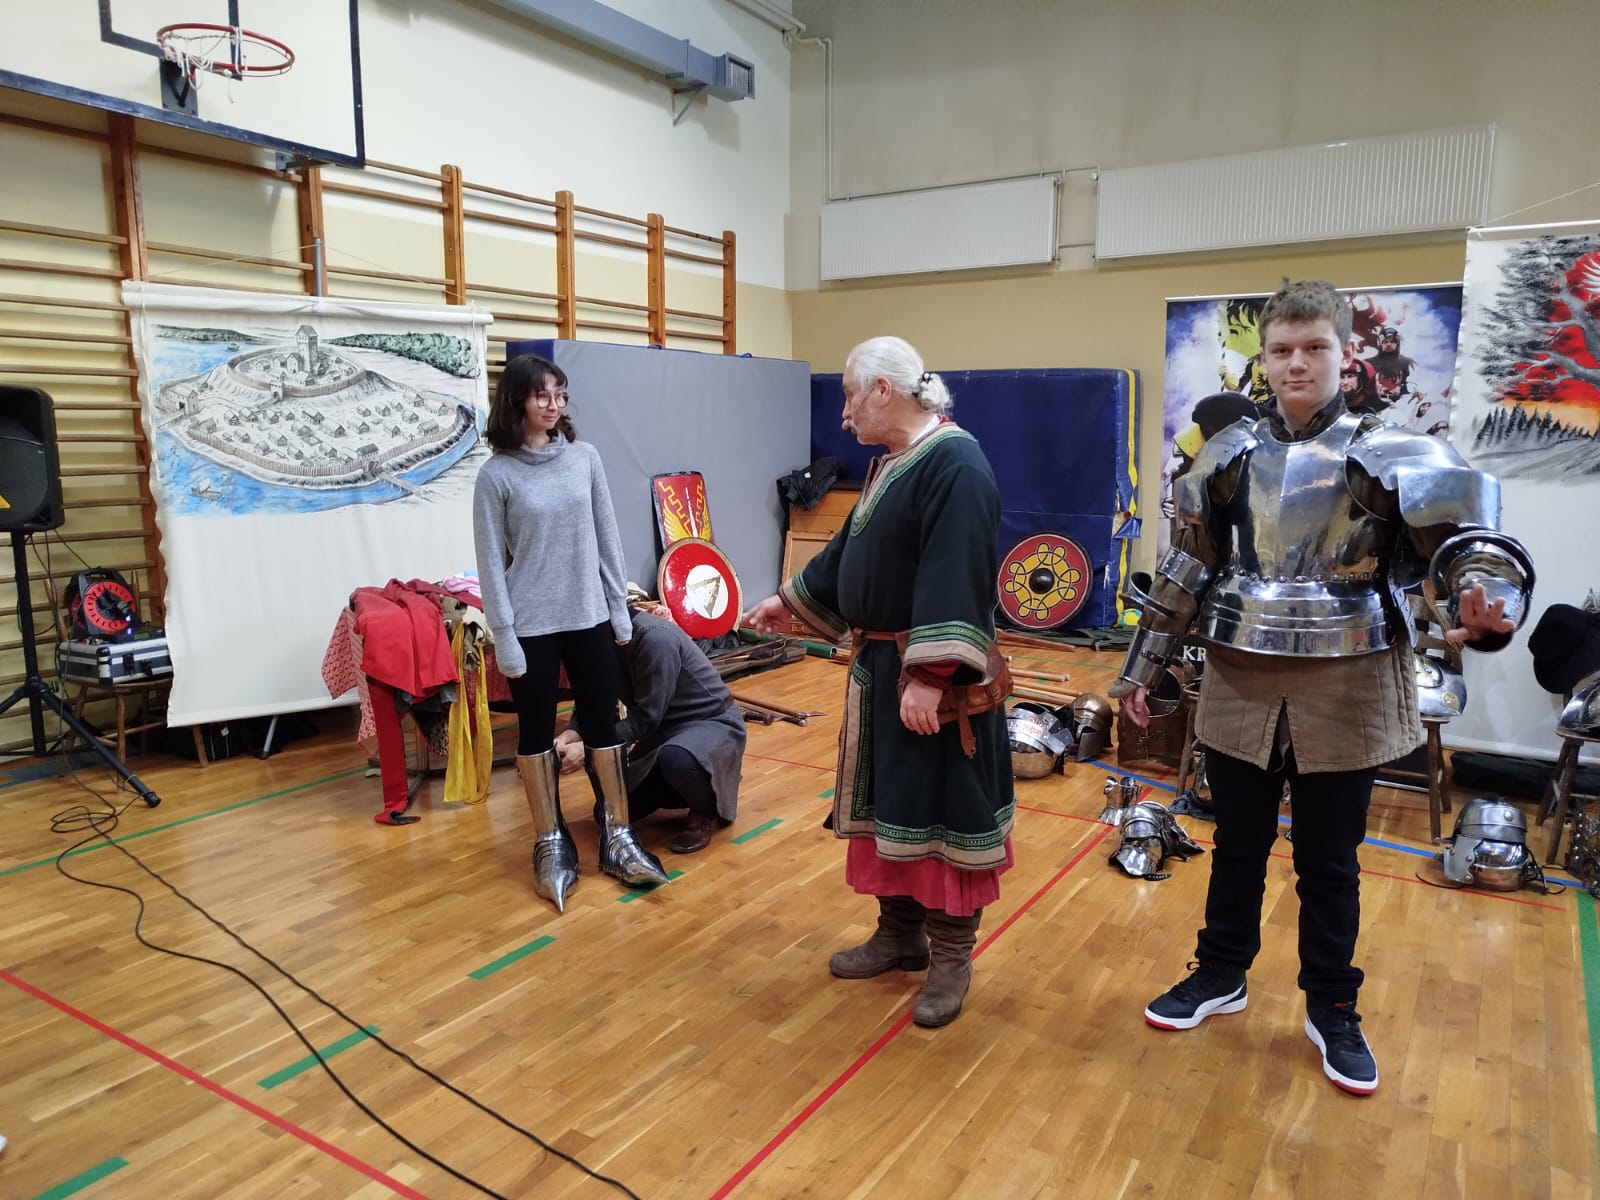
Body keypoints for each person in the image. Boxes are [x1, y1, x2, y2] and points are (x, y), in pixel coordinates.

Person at [1113, 280, 1533, 1095]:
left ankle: (1333, 1005)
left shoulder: (1393, 450)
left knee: (1330, 860)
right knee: (1235, 844)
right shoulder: (1227, 453)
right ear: (1264, 360)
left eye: (1314, 348)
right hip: (1240, 670)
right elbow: (1189, 566)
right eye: (1281, 350)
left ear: (1347, 354)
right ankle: (1220, 973)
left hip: (1350, 674)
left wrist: (1487, 600)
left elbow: (1469, 549)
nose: (1296, 363)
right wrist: (1143, 666)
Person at [744, 335, 1013, 1029]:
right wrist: (789, 600)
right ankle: (899, 936)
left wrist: (929, 675)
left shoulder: (955, 463)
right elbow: (849, 551)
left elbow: (957, 572)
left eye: (849, 395)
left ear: (883, 391)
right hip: (882, 673)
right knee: (893, 808)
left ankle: (950, 959)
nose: (843, 413)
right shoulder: (893, 463)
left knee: (944, 816)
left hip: (933, 684)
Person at [472, 353, 670, 912]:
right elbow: (491, 565)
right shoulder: (496, 475)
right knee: (536, 733)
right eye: (542, 395)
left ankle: (618, 834)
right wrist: (504, 634)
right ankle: (550, 840)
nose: (554, 404)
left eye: (560, 394)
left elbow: (607, 538)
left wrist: (619, 611)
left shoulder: (585, 459)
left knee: (603, 725)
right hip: (531, 624)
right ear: (517, 400)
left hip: (589, 617)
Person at [555, 607, 746, 854]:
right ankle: (702, 782)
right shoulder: (599, 640)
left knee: (676, 759)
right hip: (662, 734)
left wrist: (589, 749)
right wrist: (568, 736)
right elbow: (592, 701)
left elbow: (647, 718)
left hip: (710, 723)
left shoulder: (655, 638)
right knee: (605, 813)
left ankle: (706, 808)